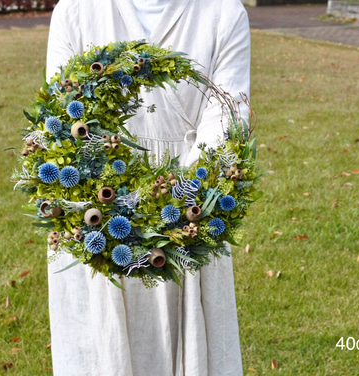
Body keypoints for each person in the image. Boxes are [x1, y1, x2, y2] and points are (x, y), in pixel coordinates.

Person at [45, 1, 250, 375]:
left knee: (190, 340)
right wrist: (115, 203)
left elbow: (227, 118)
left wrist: (174, 200)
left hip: (191, 202)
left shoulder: (223, 13)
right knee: (102, 343)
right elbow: (63, 112)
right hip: (97, 197)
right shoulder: (75, 10)